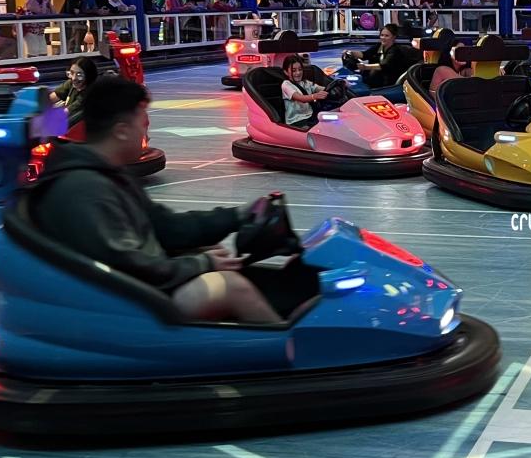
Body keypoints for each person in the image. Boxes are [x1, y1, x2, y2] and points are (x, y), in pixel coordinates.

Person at [35, 77, 280, 323]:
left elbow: (166, 226)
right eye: (143, 125)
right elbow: (129, 264)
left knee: (216, 254)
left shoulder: (109, 174)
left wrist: (236, 216)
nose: (146, 133)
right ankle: (287, 343)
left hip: (135, 286)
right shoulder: (87, 188)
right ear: (121, 131)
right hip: (124, 303)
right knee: (233, 287)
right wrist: (201, 263)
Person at [347, 23, 421, 88]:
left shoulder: (395, 50)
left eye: (386, 36)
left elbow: (384, 66)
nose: (383, 38)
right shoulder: (379, 46)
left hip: (387, 82)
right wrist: (351, 52)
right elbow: (365, 55)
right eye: (382, 35)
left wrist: (365, 67)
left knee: (374, 72)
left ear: (393, 37)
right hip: (375, 78)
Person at [279, 54, 335, 128]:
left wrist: (334, 87)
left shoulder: (305, 83)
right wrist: (314, 96)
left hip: (310, 116)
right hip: (296, 121)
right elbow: (301, 98)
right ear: (286, 72)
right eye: (293, 71)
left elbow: (321, 88)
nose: (298, 73)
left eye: (300, 69)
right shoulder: (286, 85)